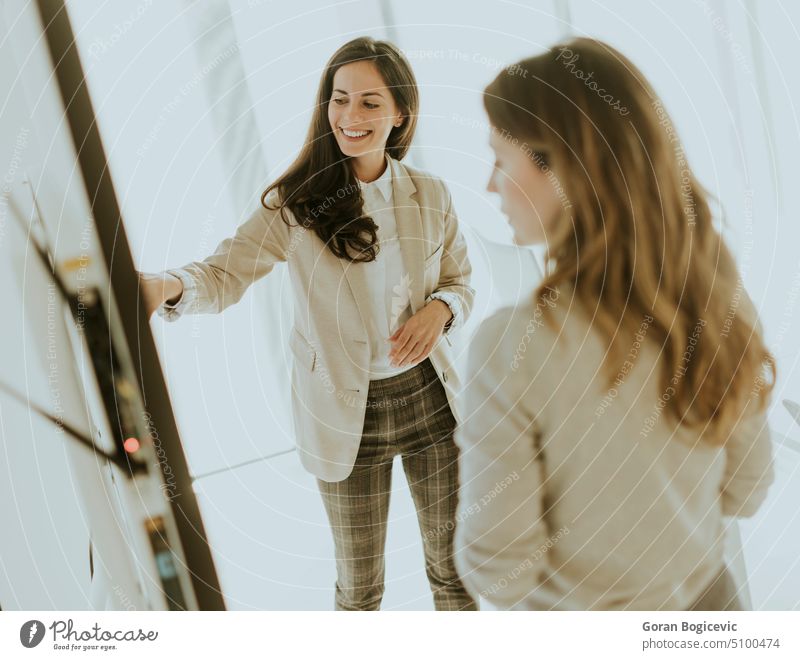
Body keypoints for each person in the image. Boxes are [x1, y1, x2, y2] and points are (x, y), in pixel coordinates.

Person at [139, 36, 477, 611]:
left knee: (454, 573)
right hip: (344, 412)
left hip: (429, 399)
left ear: (401, 114)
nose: (351, 116)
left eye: (371, 102)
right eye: (339, 99)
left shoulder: (430, 194)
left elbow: (462, 282)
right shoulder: (294, 204)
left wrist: (440, 311)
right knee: (360, 588)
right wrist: (166, 286)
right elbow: (224, 273)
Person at [452, 37, 776, 610]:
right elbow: (746, 489)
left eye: (502, 160)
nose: (489, 184)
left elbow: (498, 569)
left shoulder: (511, 347)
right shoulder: (717, 297)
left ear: (563, 171)